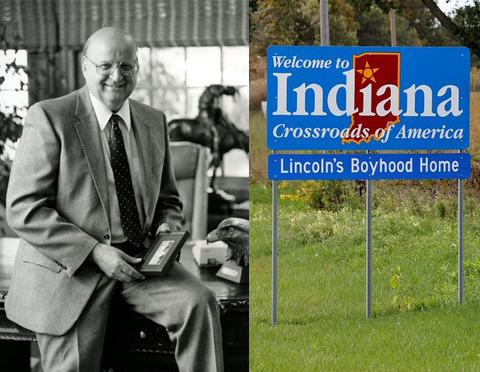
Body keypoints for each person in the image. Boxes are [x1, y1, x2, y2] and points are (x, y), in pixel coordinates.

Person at [5, 27, 224, 372]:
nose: (116, 76)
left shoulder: (154, 121)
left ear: (137, 68)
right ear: (85, 67)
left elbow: (168, 198)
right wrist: (94, 251)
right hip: (74, 270)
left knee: (201, 304)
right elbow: (23, 210)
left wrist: (169, 226)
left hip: (141, 263)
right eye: (105, 65)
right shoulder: (49, 117)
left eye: (127, 66)